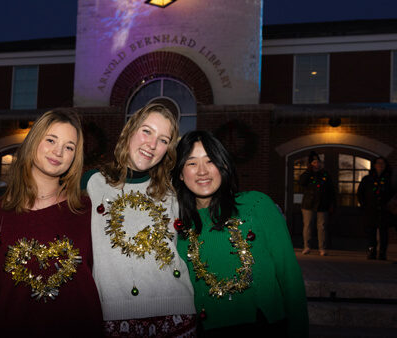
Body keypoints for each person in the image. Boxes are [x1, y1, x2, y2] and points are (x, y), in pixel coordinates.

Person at [172, 130, 309, 338]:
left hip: (265, 327)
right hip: (208, 330)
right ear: (181, 174)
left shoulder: (256, 205)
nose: (202, 171)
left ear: (224, 166)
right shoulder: (180, 227)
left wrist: (299, 332)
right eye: (191, 163)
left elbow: (289, 274)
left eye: (210, 161)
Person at [0, 109, 103, 337]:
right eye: (51, 140)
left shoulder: (87, 210)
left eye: (69, 147)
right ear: (33, 141)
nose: (58, 152)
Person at [82, 103, 196, 337]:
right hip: (113, 317)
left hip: (177, 313)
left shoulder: (173, 191)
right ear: (130, 130)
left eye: (164, 140)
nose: (152, 145)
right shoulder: (92, 183)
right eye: (147, 131)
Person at [357, 156, 395, 260]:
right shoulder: (367, 179)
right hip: (371, 210)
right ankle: (372, 251)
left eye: (383, 163)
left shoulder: (389, 179)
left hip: (385, 210)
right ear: (374, 165)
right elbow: (360, 193)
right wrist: (364, 205)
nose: (380, 165)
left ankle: (382, 252)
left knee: (384, 232)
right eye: (378, 163)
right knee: (371, 232)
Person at [298, 150, 335, 256]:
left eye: (318, 162)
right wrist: (310, 171)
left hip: (322, 205)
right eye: (314, 162)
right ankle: (307, 246)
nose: (316, 164)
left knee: (322, 226)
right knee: (308, 225)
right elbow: (301, 183)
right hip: (308, 205)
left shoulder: (324, 175)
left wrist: (331, 204)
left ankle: (322, 247)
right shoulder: (307, 174)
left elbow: (331, 190)